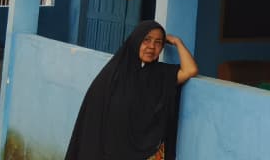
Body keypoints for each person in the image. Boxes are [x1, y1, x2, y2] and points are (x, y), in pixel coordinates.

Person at [65, 21, 199, 160]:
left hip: (148, 152)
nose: (151, 47)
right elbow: (92, 121)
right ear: (136, 41)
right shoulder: (112, 75)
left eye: (158, 42)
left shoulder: (162, 74)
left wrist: (177, 42)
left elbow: (191, 69)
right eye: (146, 40)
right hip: (112, 153)